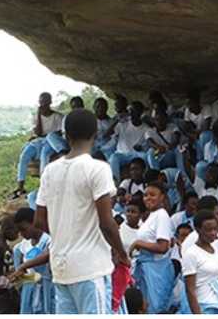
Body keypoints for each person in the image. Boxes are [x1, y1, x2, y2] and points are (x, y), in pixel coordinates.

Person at [35, 108, 129, 314]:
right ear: (95, 134)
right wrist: (122, 253)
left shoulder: (50, 171)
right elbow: (107, 223)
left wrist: (64, 234)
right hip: (90, 267)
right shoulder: (98, 168)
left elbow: (39, 221)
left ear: (66, 136)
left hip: (60, 266)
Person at [181, 210, 218, 314]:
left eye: (215, 229)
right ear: (198, 230)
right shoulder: (191, 254)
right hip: (205, 306)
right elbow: (190, 290)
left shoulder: (214, 249)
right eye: (208, 230)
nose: (213, 233)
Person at [129, 182, 175, 313]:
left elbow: (163, 246)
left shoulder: (161, 215)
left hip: (157, 270)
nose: (148, 198)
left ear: (162, 197)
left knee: (155, 308)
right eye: (145, 195)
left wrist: (138, 244)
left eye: (153, 195)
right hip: (147, 268)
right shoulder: (151, 216)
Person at [15, 92, 64, 196]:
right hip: (38, 141)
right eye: (41, 102)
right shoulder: (37, 117)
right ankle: (20, 186)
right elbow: (38, 132)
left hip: (50, 142)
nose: (43, 104)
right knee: (24, 155)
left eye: (45, 102)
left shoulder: (58, 117)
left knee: (44, 157)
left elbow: (59, 133)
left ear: (50, 102)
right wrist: (39, 115)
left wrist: (46, 135)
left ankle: (44, 185)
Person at [10, 207, 56, 314]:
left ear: (34, 223)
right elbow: (24, 276)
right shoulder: (22, 247)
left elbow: (47, 256)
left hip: (48, 289)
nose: (22, 234)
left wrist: (24, 266)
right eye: (19, 231)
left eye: (24, 229)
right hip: (30, 290)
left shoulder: (48, 240)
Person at [107, 103, 150, 181]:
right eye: (130, 111)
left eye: (134, 111)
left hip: (136, 154)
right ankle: (116, 182)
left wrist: (142, 147)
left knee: (145, 157)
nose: (131, 113)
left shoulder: (146, 128)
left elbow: (148, 143)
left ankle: (145, 181)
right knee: (113, 158)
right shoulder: (122, 124)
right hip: (121, 154)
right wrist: (117, 119)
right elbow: (107, 134)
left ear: (140, 112)